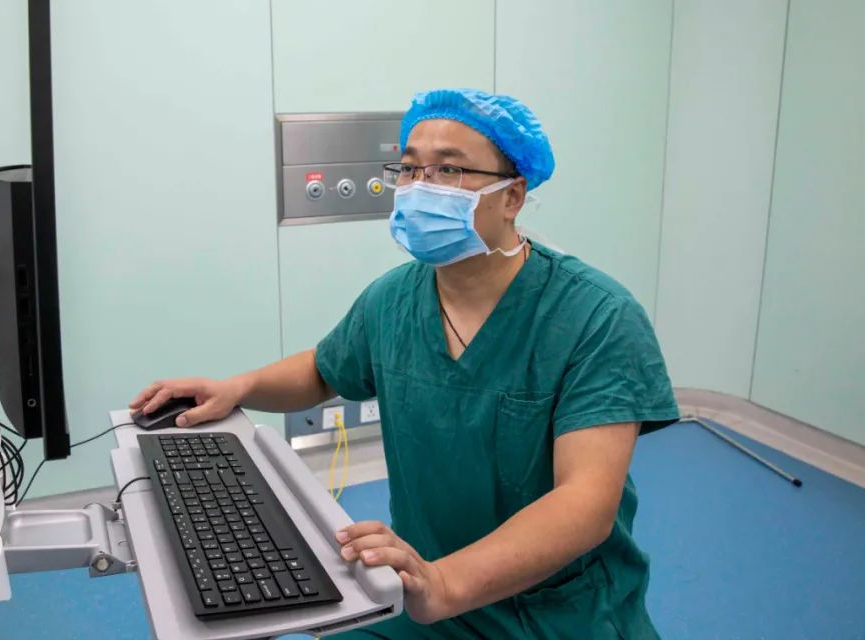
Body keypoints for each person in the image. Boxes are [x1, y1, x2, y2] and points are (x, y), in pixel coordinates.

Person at [130, 88, 679, 639]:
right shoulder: (393, 299)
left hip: (555, 611)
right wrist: (238, 388)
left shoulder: (596, 317)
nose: (419, 188)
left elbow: (585, 502)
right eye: (410, 169)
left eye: (448, 170)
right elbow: (323, 370)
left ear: (512, 196)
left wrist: (445, 583)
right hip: (421, 592)